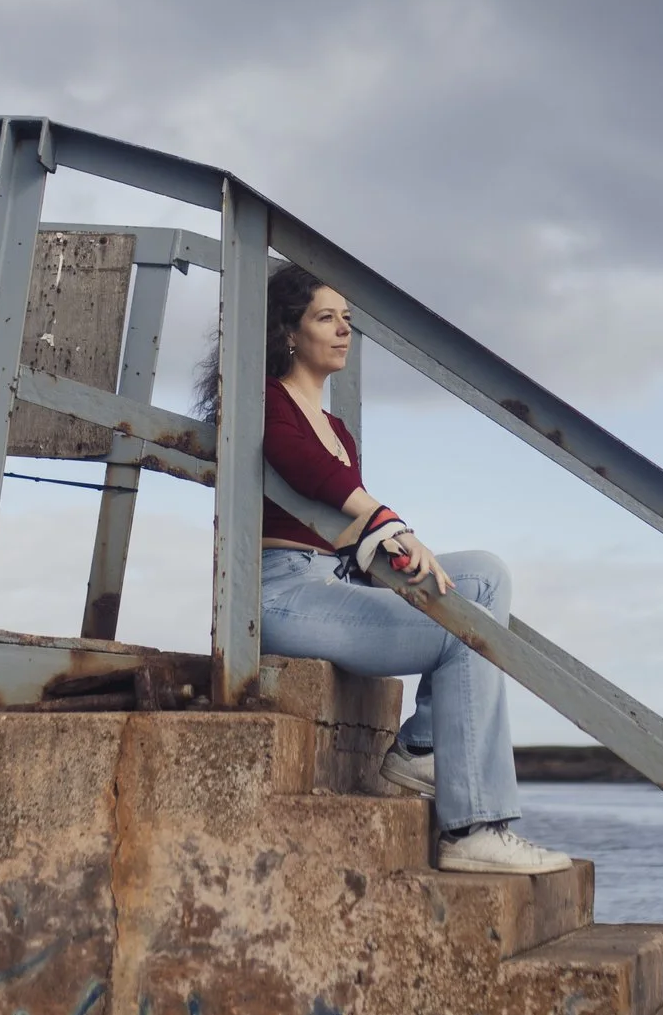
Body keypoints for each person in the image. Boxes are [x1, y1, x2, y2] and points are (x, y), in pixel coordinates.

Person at [200, 264, 573, 875]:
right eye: (326, 318)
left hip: (338, 581)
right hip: (283, 593)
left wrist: (391, 549)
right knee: (465, 629)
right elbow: (304, 469)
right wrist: (387, 519)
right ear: (289, 332)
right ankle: (473, 828)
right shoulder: (264, 400)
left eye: (347, 318)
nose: (344, 330)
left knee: (484, 576)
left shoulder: (338, 430)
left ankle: (422, 745)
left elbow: (345, 524)